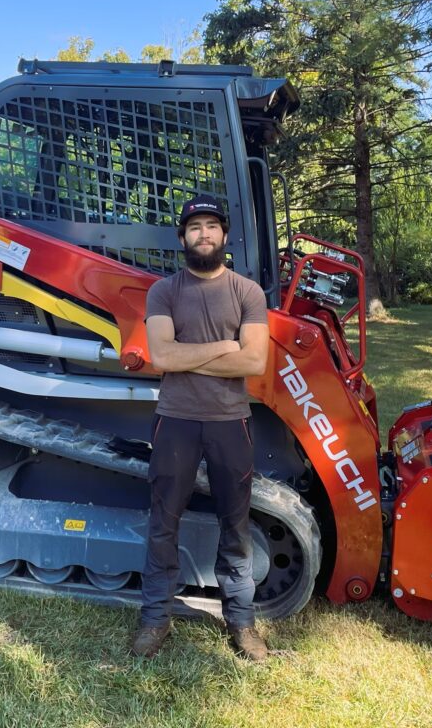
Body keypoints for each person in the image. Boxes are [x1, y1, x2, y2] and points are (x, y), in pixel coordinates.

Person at [131, 195, 271, 662]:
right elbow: (162, 357)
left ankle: (242, 623)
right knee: (163, 521)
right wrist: (223, 348)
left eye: (212, 226)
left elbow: (253, 360)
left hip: (231, 424)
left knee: (236, 524)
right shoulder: (164, 291)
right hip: (176, 421)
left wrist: (190, 354)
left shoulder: (247, 292)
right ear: (182, 237)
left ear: (225, 236)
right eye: (195, 227)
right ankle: (155, 619)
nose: (204, 234)